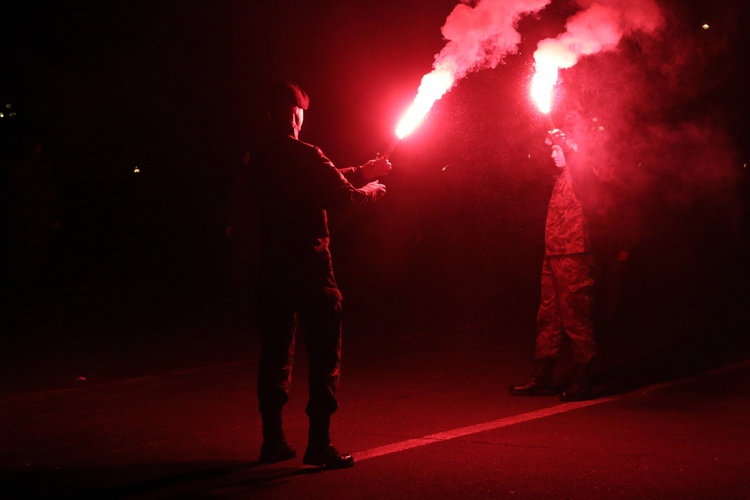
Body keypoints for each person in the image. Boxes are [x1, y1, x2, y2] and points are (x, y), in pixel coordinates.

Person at [250, 81, 390, 469]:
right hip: (312, 270)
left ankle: (273, 441)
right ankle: (319, 444)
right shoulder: (308, 154)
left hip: (273, 270)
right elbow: (342, 195)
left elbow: (319, 182)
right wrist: (373, 188)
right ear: (296, 113)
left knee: (275, 355)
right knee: (325, 354)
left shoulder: (259, 157)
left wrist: (362, 169)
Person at [509, 129, 596, 402]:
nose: (552, 153)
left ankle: (583, 377)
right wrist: (554, 141)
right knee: (548, 316)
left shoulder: (585, 173)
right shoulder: (560, 178)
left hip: (574, 254)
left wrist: (568, 145)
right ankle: (544, 374)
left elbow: (585, 170)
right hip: (554, 253)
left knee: (576, 317)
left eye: (557, 150)